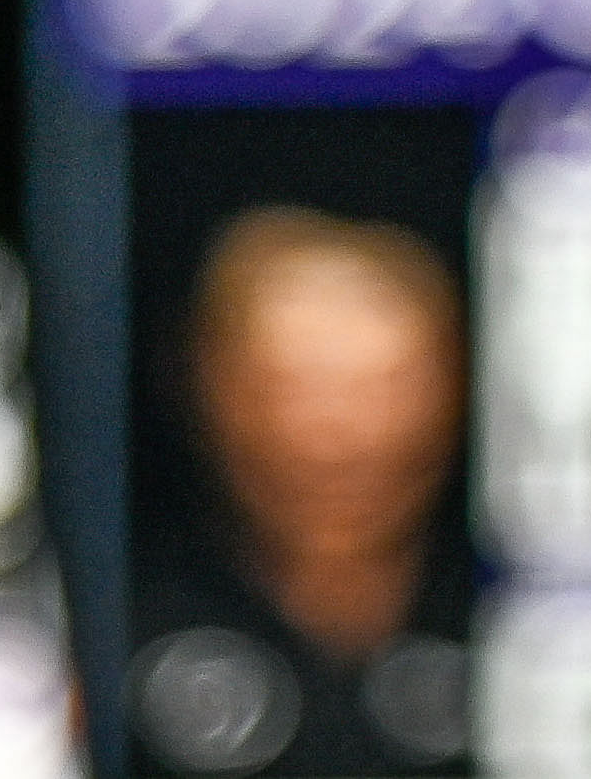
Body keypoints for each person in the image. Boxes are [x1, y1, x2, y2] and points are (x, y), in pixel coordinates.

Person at [123, 211, 471, 775]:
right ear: (208, 386)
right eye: (289, 390)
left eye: (379, 390)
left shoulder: (520, 620)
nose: (331, 441)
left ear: (454, 387)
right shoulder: (120, 622)